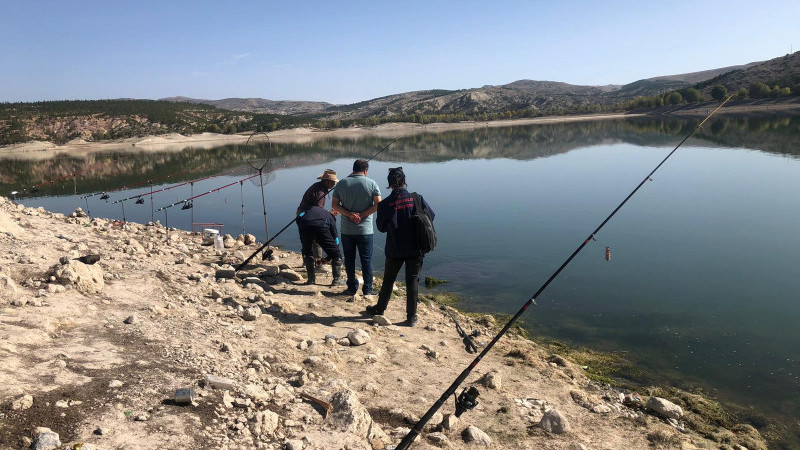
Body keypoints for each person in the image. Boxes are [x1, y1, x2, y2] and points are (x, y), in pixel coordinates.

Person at [365, 167, 434, 326]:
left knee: (389, 280)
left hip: (394, 248)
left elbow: (382, 228)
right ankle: (411, 317)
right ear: (404, 181)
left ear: (390, 184)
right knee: (412, 282)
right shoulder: (417, 199)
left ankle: (380, 309)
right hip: (416, 248)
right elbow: (431, 217)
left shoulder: (385, 204)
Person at [331, 159, 381, 295]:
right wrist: (362, 215)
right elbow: (378, 205)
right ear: (365, 170)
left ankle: (352, 288)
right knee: (366, 260)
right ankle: (368, 290)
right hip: (365, 230)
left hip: (347, 231)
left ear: (353, 169)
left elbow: (334, 205)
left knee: (349, 259)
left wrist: (349, 215)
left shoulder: (341, 183)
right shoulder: (371, 183)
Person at [296, 169, 343, 285]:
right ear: (327, 181)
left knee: (308, 247)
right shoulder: (320, 193)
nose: (334, 184)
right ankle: (333, 276)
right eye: (333, 182)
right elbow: (317, 212)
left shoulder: (318, 187)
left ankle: (311, 278)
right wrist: (331, 214)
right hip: (308, 217)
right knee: (319, 242)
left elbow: (317, 212)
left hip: (303, 219)